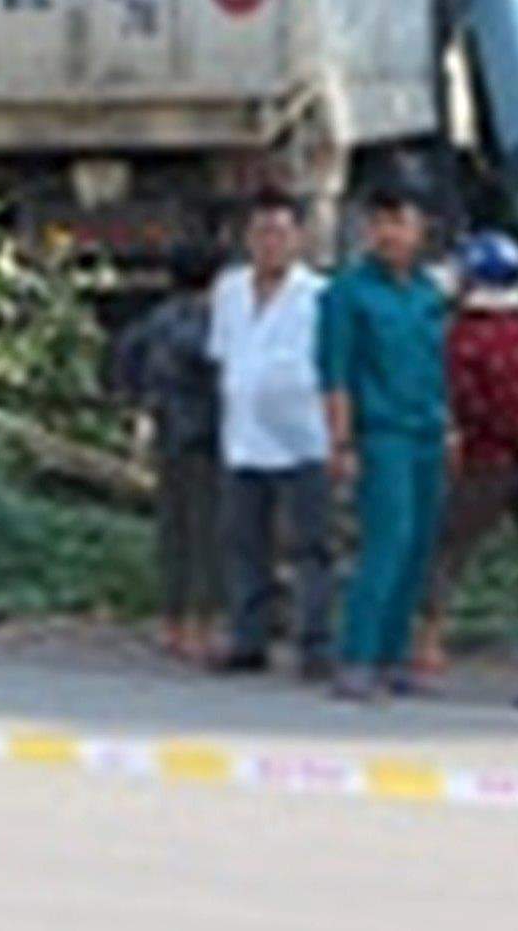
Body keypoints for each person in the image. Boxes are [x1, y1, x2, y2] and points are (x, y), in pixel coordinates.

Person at [414, 231, 518, 678]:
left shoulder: (464, 338)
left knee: (449, 551)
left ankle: (428, 642)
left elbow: (470, 401)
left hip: (486, 460)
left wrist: (510, 433)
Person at [317, 184, 451, 702]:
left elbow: (440, 368)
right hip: (381, 433)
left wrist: (451, 425)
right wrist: (341, 441)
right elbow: (336, 374)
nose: (391, 234)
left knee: (419, 546)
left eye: (402, 222)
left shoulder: (426, 294)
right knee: (386, 542)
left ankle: (394, 656)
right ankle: (358, 656)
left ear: (420, 231)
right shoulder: (348, 294)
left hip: (426, 431)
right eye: (381, 223)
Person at [208, 191, 336, 680]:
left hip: (305, 438)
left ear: (299, 239)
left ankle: (315, 641)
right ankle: (249, 638)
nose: (271, 244)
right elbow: (225, 354)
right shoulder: (230, 290)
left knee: (312, 546)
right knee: (244, 543)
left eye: (281, 233)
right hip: (243, 437)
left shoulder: (320, 295)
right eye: (261, 233)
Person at [108, 240, 228, 663]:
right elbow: (216, 366)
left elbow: (124, 365)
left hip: (168, 431)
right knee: (207, 533)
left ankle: (171, 621)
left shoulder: (152, 322)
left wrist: (141, 401)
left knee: (173, 532)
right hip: (206, 434)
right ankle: (201, 624)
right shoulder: (207, 322)